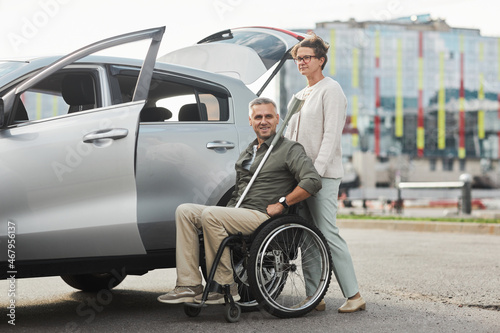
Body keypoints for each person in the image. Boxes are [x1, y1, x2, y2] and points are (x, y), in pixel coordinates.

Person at [158, 97, 322, 305]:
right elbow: (238, 192)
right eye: (258, 117)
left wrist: (283, 203)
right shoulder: (248, 152)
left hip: (264, 216)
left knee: (211, 215)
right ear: (250, 121)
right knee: (185, 211)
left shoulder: (289, 149)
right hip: (240, 212)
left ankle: (225, 286)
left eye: (268, 116)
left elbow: (313, 180)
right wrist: (228, 212)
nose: (264, 121)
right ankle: (189, 285)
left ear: (278, 119)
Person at [285, 33, 366, 313]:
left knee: (327, 232)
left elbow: (330, 137)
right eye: (298, 58)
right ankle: (314, 296)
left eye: (307, 57)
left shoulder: (332, 90)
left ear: (321, 60)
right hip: (300, 176)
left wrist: (314, 176)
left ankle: (354, 295)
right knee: (307, 234)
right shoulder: (298, 95)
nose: (302, 62)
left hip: (322, 176)